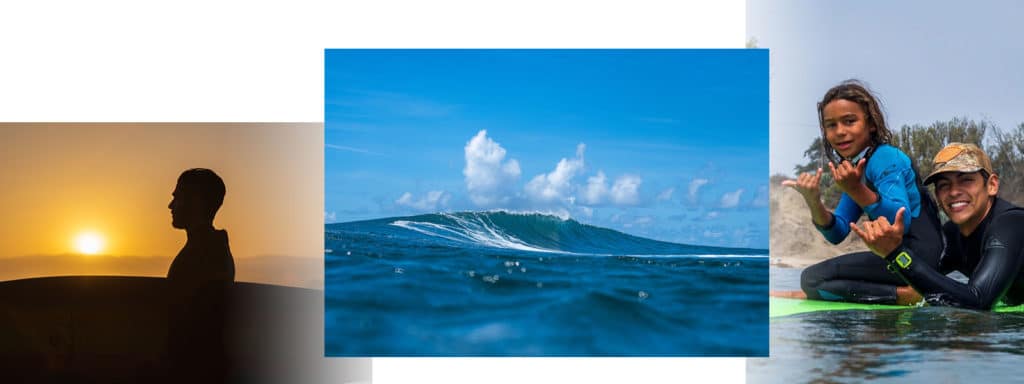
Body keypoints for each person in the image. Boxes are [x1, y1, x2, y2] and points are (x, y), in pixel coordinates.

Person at [777, 80, 943, 304]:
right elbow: (837, 233)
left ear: (871, 124)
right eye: (831, 125)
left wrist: (856, 189)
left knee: (812, 278)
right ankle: (898, 292)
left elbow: (899, 219)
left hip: (918, 258)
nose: (840, 132)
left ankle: (906, 295)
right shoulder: (859, 168)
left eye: (849, 121)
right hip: (901, 257)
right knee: (813, 280)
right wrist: (814, 201)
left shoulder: (885, 157)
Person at [852, 143, 1024, 310]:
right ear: (937, 196)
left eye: (966, 180)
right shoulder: (951, 234)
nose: (954, 192)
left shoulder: (1011, 224)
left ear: (992, 185)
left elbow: (979, 300)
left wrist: (896, 253)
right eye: (944, 185)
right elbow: (918, 272)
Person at [165, 168, 235, 382]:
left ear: (196, 202)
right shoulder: (209, 248)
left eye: (177, 197)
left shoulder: (205, 253)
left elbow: (198, 326)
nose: (170, 205)